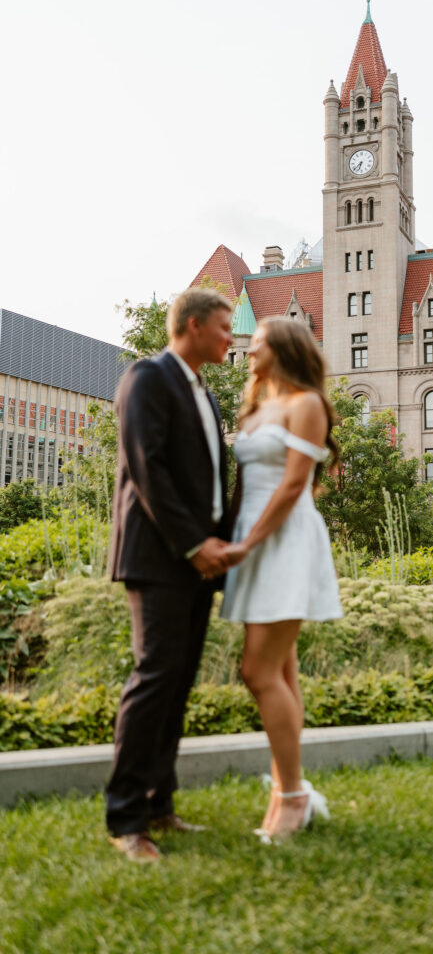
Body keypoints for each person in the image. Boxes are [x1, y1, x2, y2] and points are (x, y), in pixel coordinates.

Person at [106, 288, 234, 863]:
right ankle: (126, 819)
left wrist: (220, 548)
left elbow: (206, 482)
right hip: (158, 557)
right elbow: (146, 464)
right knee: (154, 676)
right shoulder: (148, 376)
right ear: (193, 324)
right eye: (225, 327)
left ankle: (160, 804)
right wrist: (191, 544)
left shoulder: (204, 393)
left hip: (201, 562)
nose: (231, 339)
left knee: (178, 681)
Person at [221, 316, 343, 843]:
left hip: (285, 538)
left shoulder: (306, 404)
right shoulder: (255, 407)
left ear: (284, 349)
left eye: (256, 346)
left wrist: (248, 543)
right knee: (282, 671)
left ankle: (292, 795)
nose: (247, 353)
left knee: (257, 669)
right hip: (251, 536)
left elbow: (296, 484)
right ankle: (287, 791)